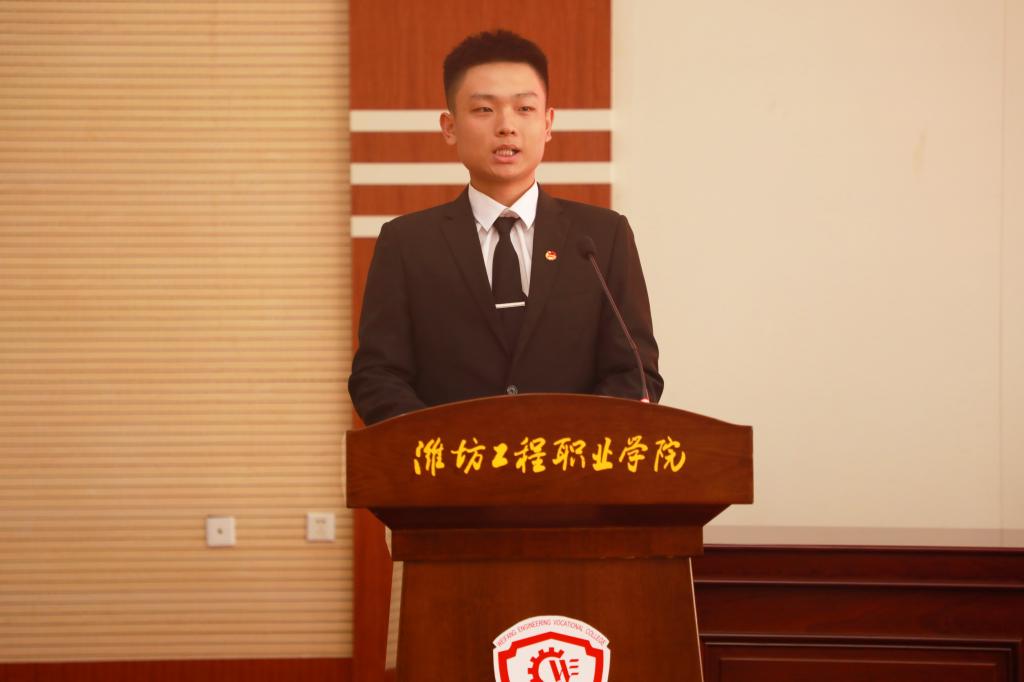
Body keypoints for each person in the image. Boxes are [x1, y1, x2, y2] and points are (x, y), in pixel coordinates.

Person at [349, 30, 662, 425]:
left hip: (572, 460)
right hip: (450, 461)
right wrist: (449, 446)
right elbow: (378, 377)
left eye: (524, 108)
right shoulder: (407, 243)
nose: (506, 126)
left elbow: (635, 372)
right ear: (449, 126)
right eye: (484, 109)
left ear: (548, 123)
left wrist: (563, 443)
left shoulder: (602, 238)